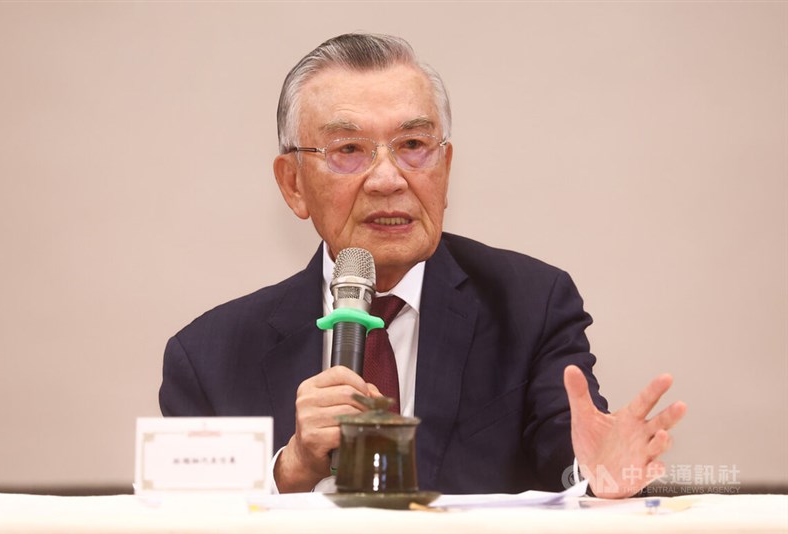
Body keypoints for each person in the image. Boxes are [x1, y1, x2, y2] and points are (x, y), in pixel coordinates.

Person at [159, 32, 687, 498]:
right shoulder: (208, 358)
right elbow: (182, 511)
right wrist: (289, 469)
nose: (388, 179)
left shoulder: (530, 305)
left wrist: (600, 476)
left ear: (446, 167)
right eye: (349, 149)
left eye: (413, 145)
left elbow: (569, 452)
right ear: (293, 185)